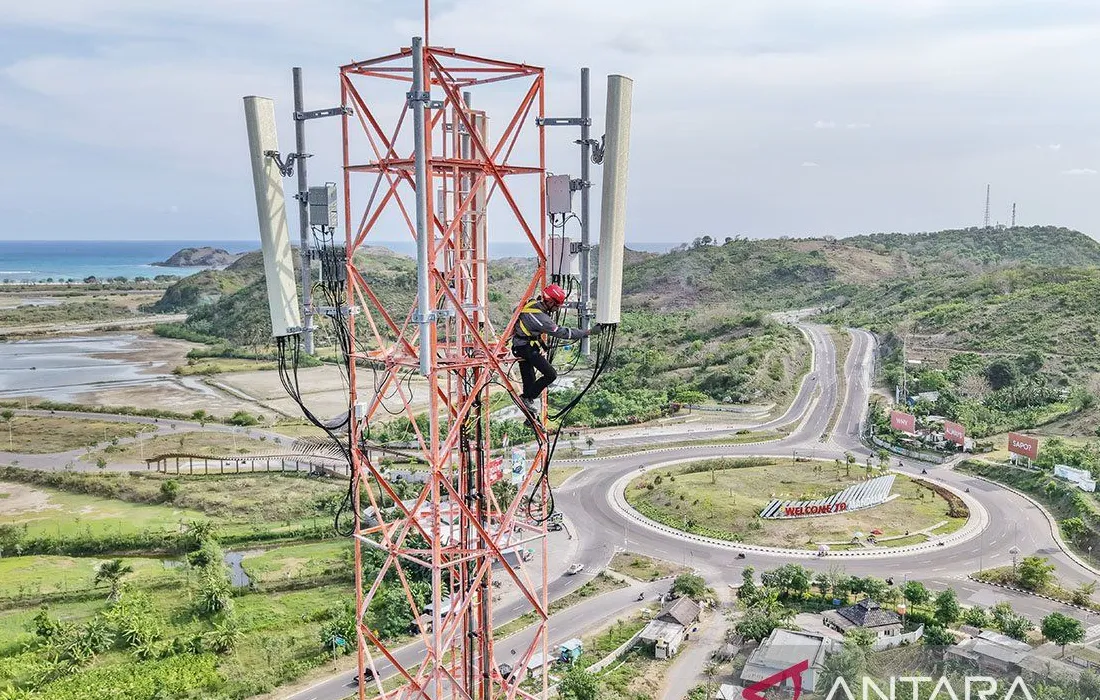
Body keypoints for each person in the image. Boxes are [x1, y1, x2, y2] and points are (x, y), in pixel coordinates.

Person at [511, 284, 598, 414]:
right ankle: (526, 399)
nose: (557, 309)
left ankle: (527, 402)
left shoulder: (532, 304)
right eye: (557, 305)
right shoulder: (542, 319)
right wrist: (587, 332)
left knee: (529, 378)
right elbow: (562, 333)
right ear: (550, 302)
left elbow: (520, 315)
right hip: (525, 347)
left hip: (520, 345)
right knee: (551, 374)